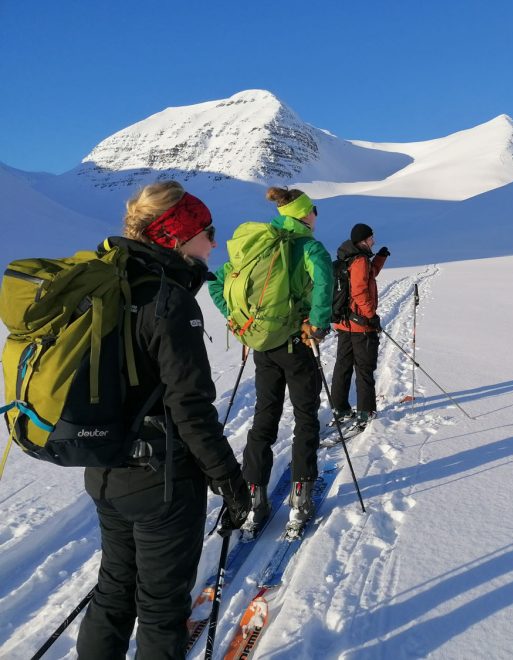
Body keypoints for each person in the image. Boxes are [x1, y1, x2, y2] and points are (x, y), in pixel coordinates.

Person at [76, 181, 251, 659]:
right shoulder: (170, 302)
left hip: (106, 469)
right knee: (159, 609)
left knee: (112, 593)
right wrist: (231, 483)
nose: (214, 243)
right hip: (163, 482)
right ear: (176, 236)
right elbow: (190, 409)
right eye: (207, 232)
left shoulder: (109, 285)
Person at [209, 187, 332, 536]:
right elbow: (324, 281)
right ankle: (300, 496)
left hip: (262, 345)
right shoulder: (308, 247)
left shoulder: (258, 244)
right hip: (296, 342)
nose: (315, 218)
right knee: (306, 417)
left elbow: (219, 283)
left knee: (264, 417)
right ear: (305, 214)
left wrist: (240, 321)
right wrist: (318, 324)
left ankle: (254, 497)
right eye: (313, 212)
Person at [329, 223, 390, 429]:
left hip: (344, 323)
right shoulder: (360, 260)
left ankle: (340, 408)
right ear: (363, 240)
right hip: (360, 325)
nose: (374, 241)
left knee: (343, 367)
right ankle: (365, 410)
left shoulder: (347, 257)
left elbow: (368, 275)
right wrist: (371, 316)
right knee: (364, 368)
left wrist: (380, 258)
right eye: (371, 238)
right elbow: (359, 292)